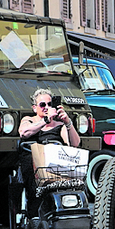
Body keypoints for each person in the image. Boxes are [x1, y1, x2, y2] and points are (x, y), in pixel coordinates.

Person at [18, 88, 80, 217]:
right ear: (35, 108)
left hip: (56, 164)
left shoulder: (59, 125)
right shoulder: (29, 120)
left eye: (49, 104)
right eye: (42, 105)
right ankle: (34, 215)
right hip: (35, 163)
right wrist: (45, 120)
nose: (46, 107)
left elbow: (75, 143)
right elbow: (24, 133)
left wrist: (68, 122)